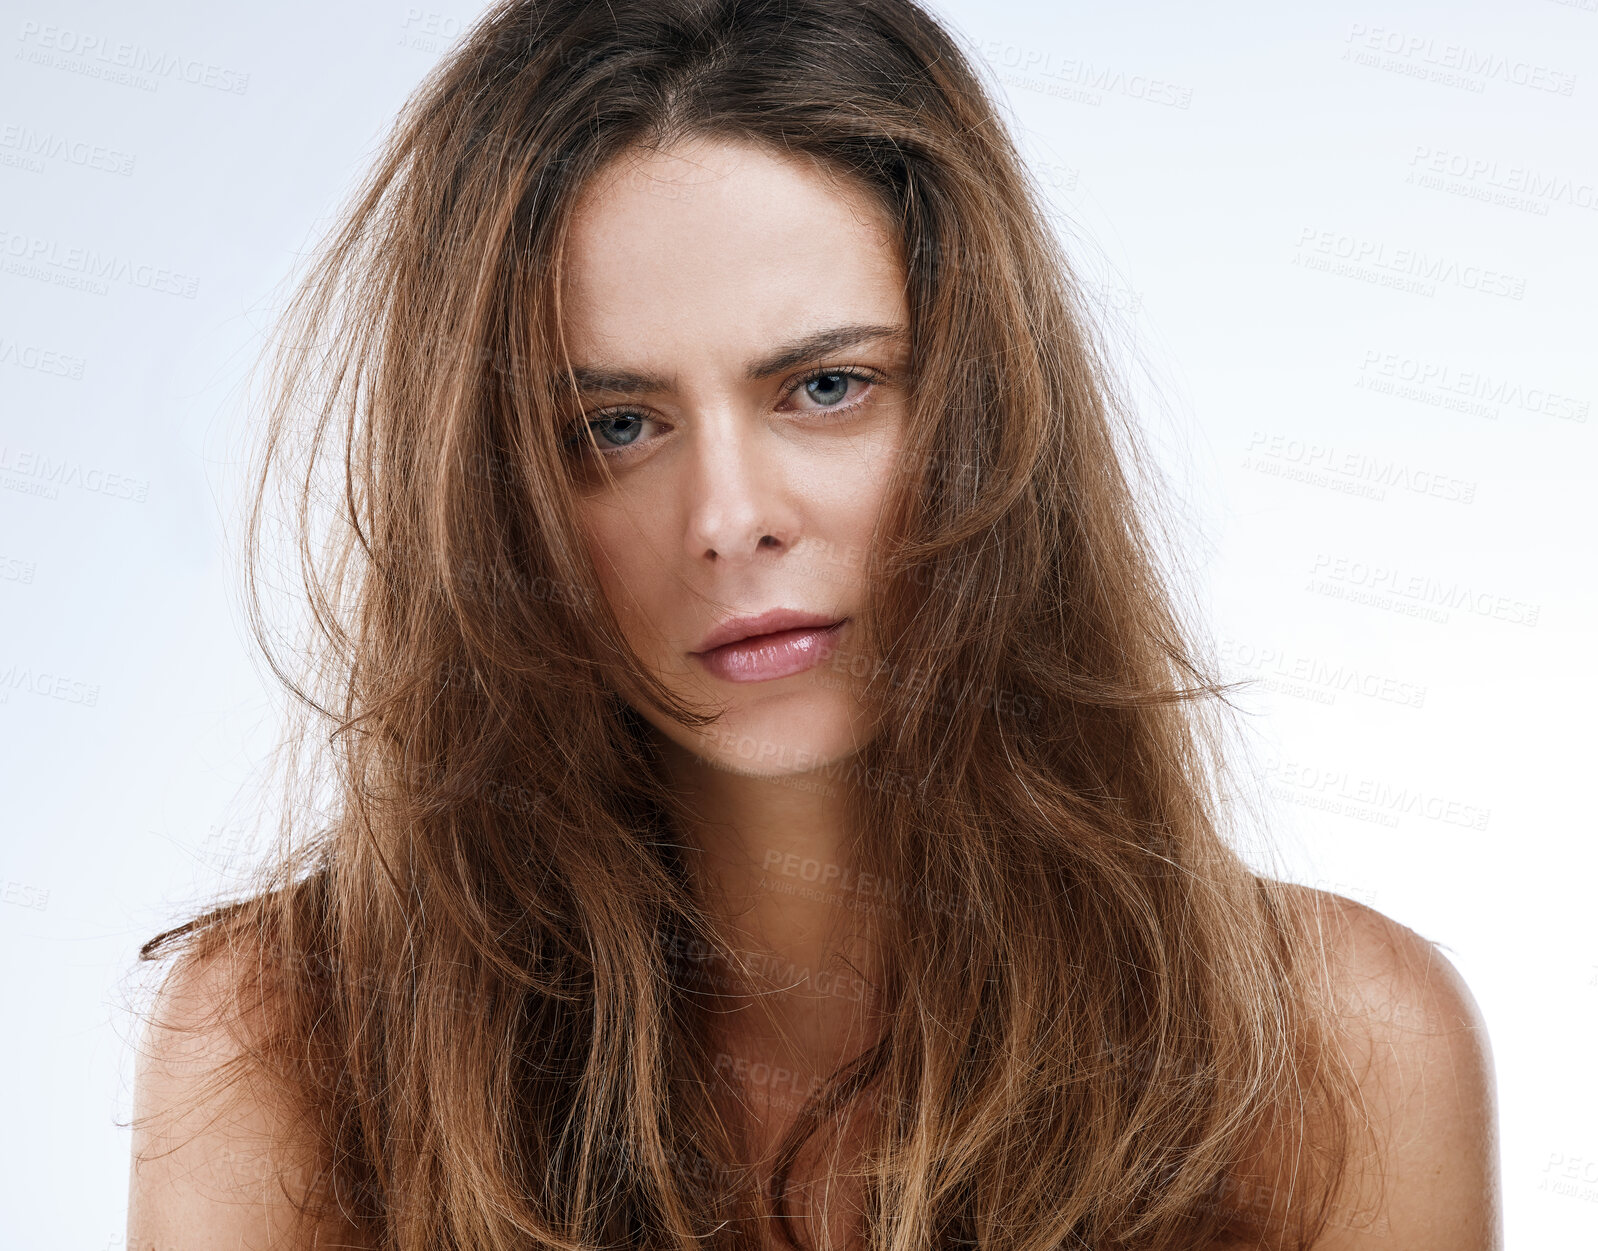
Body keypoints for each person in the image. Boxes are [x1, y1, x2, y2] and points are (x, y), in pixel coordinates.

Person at [123, 1, 1500, 1248]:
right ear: (495, 498)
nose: (728, 516)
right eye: (614, 425)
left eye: (826, 388)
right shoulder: (286, 1048)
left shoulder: (1334, 1055)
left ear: (980, 406)